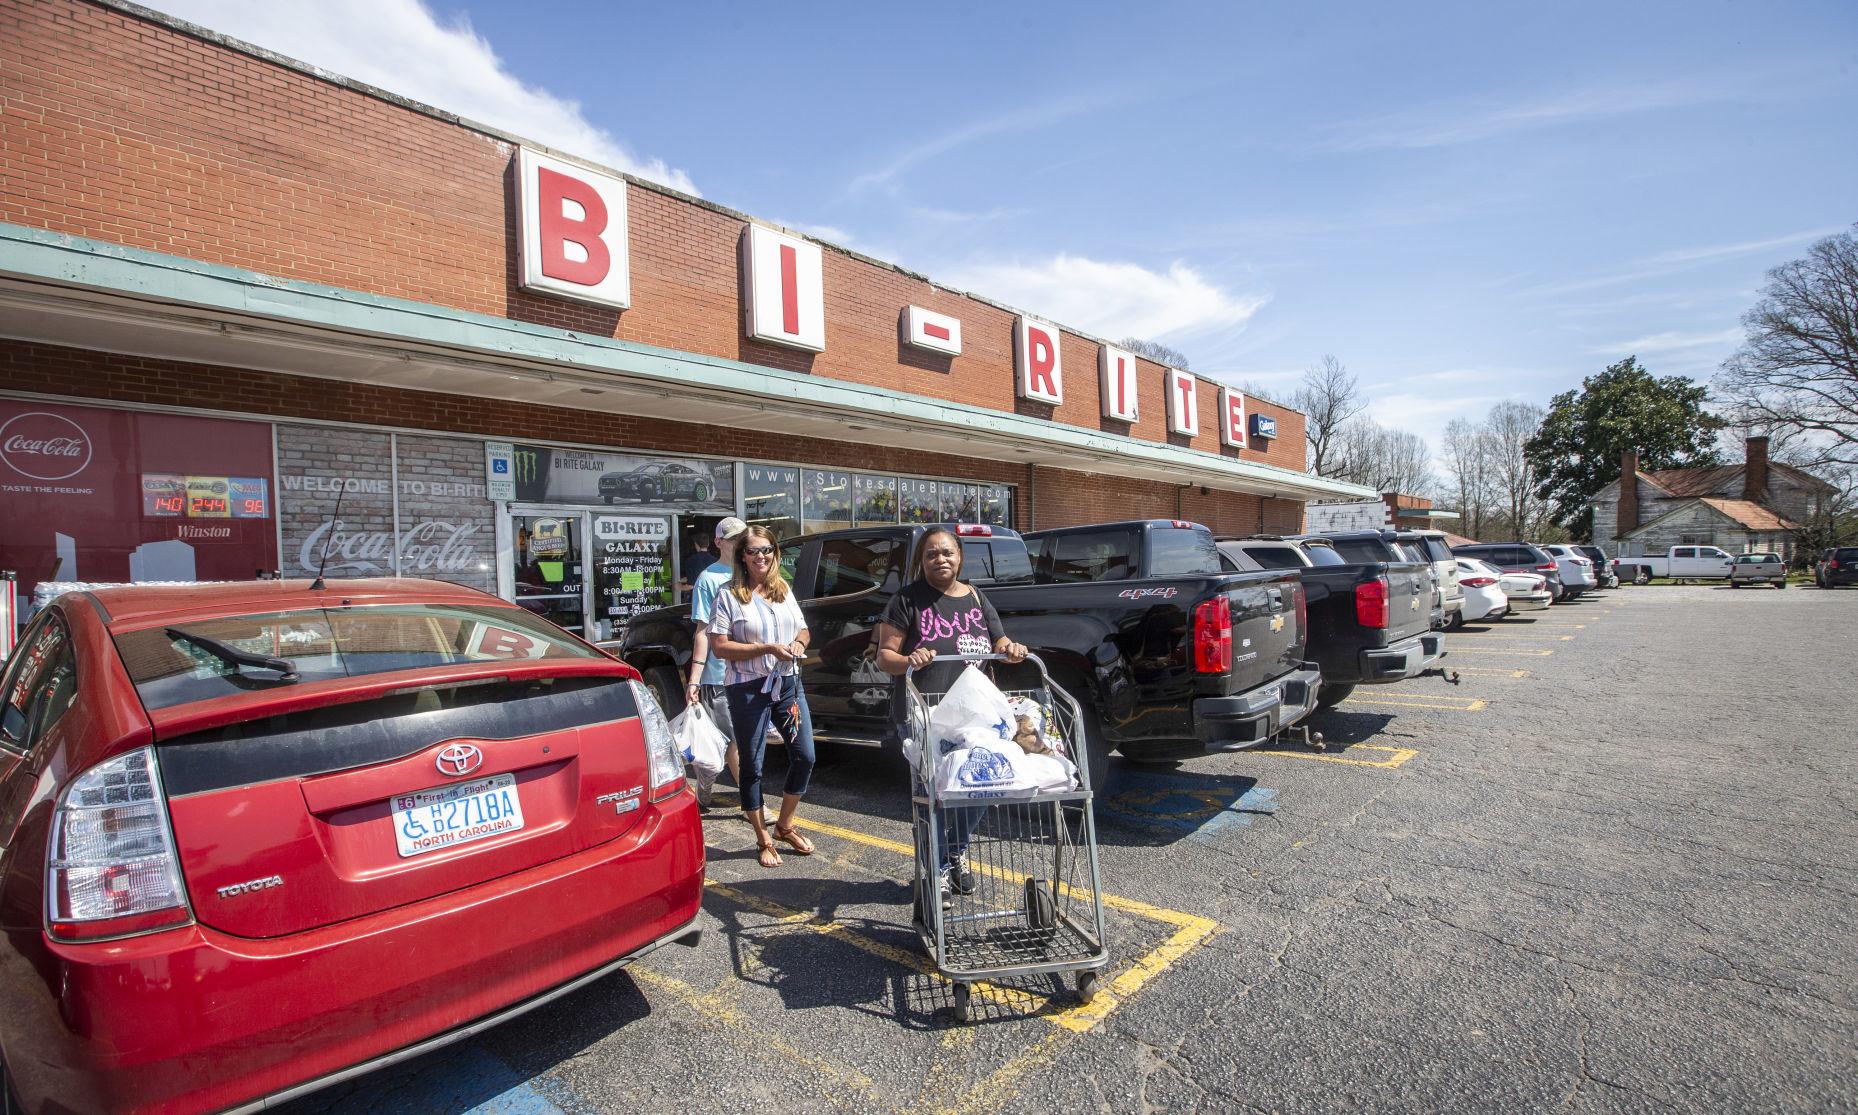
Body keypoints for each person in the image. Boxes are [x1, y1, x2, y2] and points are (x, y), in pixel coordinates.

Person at [874, 526, 1027, 902]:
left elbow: (998, 640)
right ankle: (936, 870)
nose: (940, 559)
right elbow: (884, 656)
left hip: (975, 715)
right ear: (921, 561)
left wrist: (1011, 649)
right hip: (926, 711)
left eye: (947, 553)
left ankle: (953, 852)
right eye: (931, 554)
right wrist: (909, 658)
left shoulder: (976, 596)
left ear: (959, 556)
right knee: (934, 794)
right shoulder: (907, 600)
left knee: (979, 785)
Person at [707, 525, 817, 868]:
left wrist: (799, 643)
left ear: (775, 553)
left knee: (805, 756)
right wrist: (767, 648)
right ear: (742, 555)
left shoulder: (783, 590)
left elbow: (803, 628)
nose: (761, 557)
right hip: (747, 689)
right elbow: (719, 646)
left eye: (767, 550)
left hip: (787, 684)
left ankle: (784, 824)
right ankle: (762, 838)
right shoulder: (728, 595)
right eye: (753, 551)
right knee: (753, 765)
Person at [683, 517, 772, 820]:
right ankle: (753, 805)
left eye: (742, 538)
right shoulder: (708, 580)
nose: (739, 543)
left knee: (731, 742)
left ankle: (703, 792)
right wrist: (694, 679)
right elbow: (702, 631)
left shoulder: (754, 574)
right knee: (738, 740)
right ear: (719, 542)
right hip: (720, 675)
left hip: (754, 671)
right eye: (733, 539)